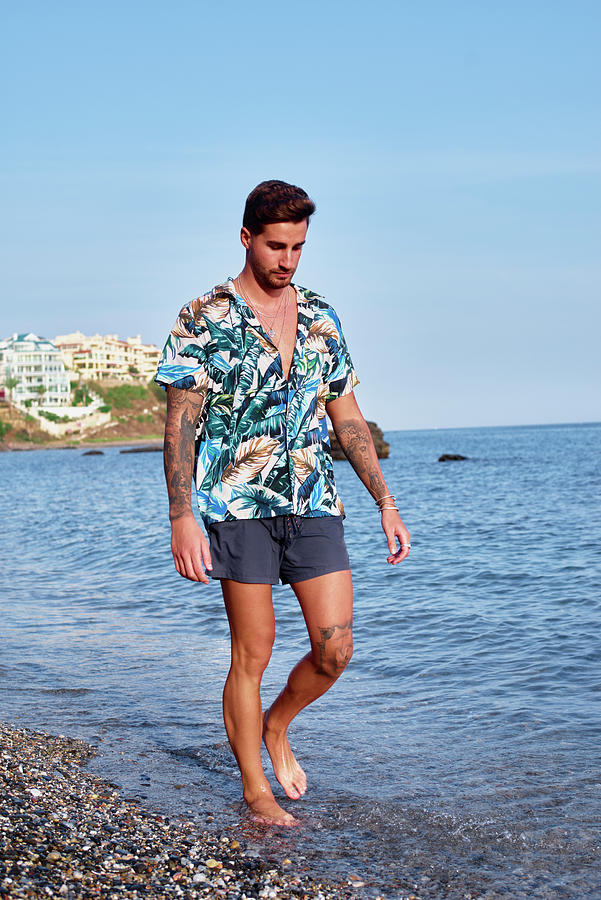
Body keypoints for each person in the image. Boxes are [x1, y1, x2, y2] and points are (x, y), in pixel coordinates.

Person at [155, 180, 410, 826]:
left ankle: (276, 726)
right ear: (246, 238)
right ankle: (254, 790)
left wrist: (384, 500)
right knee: (253, 652)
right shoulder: (202, 318)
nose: (287, 259)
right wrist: (181, 514)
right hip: (238, 508)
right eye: (275, 245)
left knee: (335, 649)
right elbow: (180, 424)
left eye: (297, 246)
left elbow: (347, 418)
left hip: (313, 500)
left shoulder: (321, 316)